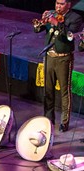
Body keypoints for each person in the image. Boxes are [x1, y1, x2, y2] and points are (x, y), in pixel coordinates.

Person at [34, 0, 83, 132]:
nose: (58, 7)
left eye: (61, 4)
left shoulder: (75, 18)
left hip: (64, 58)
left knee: (64, 91)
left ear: (68, 5)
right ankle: (48, 119)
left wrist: (57, 23)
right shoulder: (51, 14)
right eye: (56, 3)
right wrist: (41, 22)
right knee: (48, 90)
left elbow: (70, 36)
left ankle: (64, 122)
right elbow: (37, 29)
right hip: (49, 56)